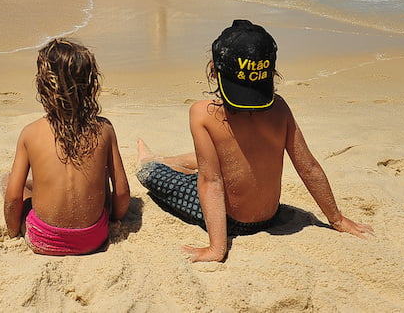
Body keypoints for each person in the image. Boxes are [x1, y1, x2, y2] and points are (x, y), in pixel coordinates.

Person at [136, 19, 373, 262]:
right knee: (219, 157)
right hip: (270, 214)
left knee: (150, 173)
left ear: (213, 70)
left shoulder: (202, 114)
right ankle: (165, 158)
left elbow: (211, 181)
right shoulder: (279, 108)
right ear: (271, 73)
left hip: (231, 221)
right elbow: (308, 167)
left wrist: (217, 248)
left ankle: (152, 160)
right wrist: (337, 219)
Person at [3, 38, 130, 256]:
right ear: (90, 84)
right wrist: (114, 219)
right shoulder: (104, 129)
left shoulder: (31, 133)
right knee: (102, 181)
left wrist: (14, 232)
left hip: (44, 239)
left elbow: (13, 199)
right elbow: (122, 192)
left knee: (6, 181)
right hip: (94, 238)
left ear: (43, 85)